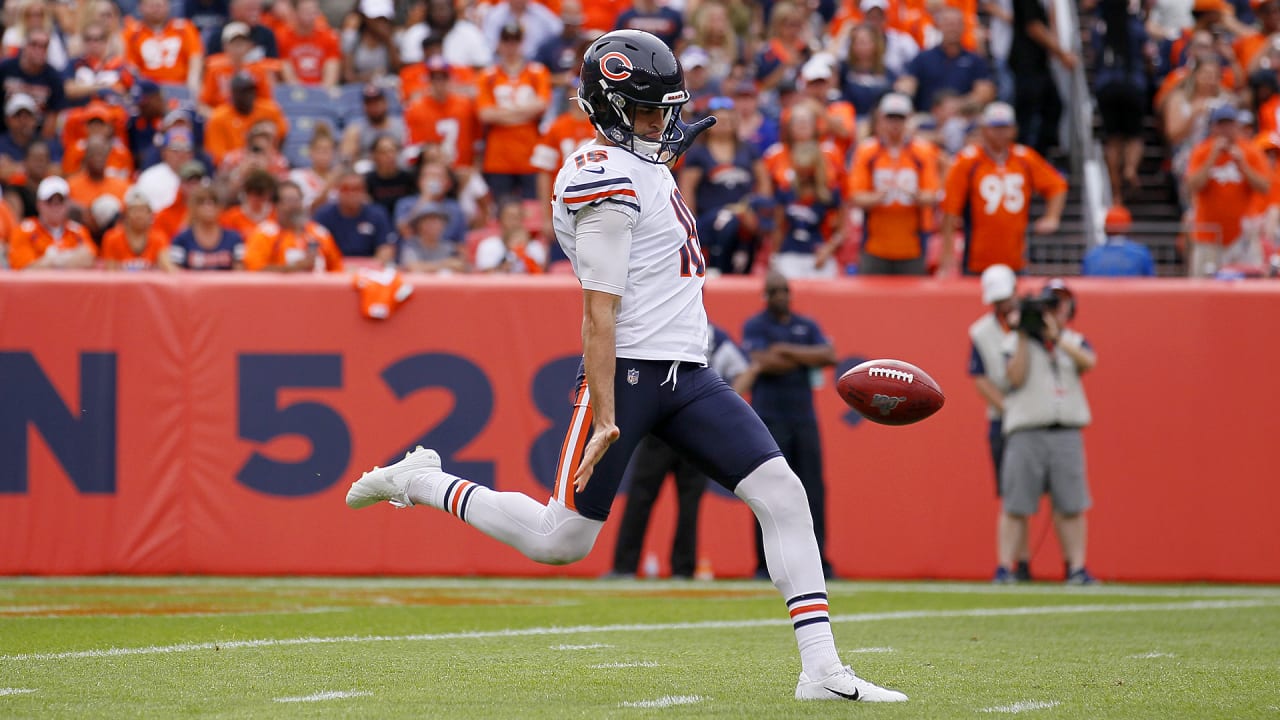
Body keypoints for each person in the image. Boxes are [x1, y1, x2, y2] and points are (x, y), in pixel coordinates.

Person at [345, 29, 908, 704]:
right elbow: (598, 312)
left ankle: (820, 668)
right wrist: (607, 412)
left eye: (663, 109)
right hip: (632, 375)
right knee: (560, 543)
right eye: (647, 111)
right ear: (611, 109)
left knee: (783, 495)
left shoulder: (646, 169)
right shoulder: (601, 180)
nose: (661, 122)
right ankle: (424, 481)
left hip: (689, 375)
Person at [607, 322, 753, 579]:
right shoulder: (706, 334)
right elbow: (742, 368)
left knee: (659, 500)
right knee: (668, 500)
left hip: (671, 425)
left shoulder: (674, 326)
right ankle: (675, 568)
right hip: (687, 427)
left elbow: (744, 370)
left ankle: (631, 567)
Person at [999, 279, 1098, 585]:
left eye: (1059, 304)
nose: (1053, 310)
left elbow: (1089, 363)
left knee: (1071, 505)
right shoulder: (1014, 343)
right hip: (1027, 430)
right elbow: (1014, 377)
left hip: (1066, 430)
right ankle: (1006, 568)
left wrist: (1056, 337)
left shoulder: (1074, 340)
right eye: (1049, 304)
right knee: (1016, 503)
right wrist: (1025, 336)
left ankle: (1076, 568)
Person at [742, 271, 837, 579]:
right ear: (765, 295)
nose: (781, 294)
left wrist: (784, 350)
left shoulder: (806, 324)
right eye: (774, 290)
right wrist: (802, 357)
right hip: (768, 419)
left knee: (812, 490)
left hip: (803, 418)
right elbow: (763, 361)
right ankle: (766, 564)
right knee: (769, 492)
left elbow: (829, 354)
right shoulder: (756, 324)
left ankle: (819, 561)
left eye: (784, 289)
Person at [938, 102, 1069, 275]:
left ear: (1013, 129)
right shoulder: (968, 161)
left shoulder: (1024, 158)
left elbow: (1057, 185)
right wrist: (947, 255)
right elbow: (950, 210)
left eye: (1004, 127)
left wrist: (1052, 217)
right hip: (977, 259)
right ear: (984, 129)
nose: (1000, 133)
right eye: (995, 127)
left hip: (1016, 257)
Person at [968, 264, 1031, 582]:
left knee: (1028, 492)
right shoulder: (981, 331)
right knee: (1011, 492)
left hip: (1034, 415)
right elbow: (979, 377)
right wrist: (1006, 408)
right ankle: (1014, 561)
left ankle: (1022, 561)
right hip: (1003, 419)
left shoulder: (1030, 323)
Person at [846, 92, 940, 275]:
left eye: (900, 118)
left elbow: (933, 194)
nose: (895, 125)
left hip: (912, 245)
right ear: (880, 119)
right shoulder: (868, 151)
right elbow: (855, 196)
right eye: (890, 118)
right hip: (875, 245)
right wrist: (879, 197)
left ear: (908, 120)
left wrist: (913, 195)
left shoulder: (922, 151)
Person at [1184, 102, 1270, 276]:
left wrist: (1243, 166)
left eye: (1229, 124)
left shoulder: (1250, 150)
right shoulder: (1202, 151)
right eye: (1221, 124)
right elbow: (1192, 185)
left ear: (1236, 125)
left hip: (1242, 236)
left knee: (1249, 288)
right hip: (1208, 235)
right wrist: (1212, 158)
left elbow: (1265, 187)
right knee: (1203, 291)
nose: (1225, 129)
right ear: (1213, 127)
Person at [243, 179, 344, 272]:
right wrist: (293, 268)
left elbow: (336, 268)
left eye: (297, 200)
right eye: (289, 201)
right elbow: (254, 270)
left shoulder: (319, 233)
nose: (294, 206)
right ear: (277, 205)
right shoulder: (265, 234)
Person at [8, 176, 97, 270]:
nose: (55, 206)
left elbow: (90, 258)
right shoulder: (23, 232)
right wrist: (68, 259)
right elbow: (25, 270)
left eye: (60, 201)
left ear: (68, 203)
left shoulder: (78, 231)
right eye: (49, 201)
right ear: (39, 204)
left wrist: (52, 261)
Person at [313, 168, 398, 262]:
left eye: (357, 189)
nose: (352, 193)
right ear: (337, 191)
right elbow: (317, 248)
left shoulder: (377, 214)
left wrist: (370, 267)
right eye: (346, 189)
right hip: (334, 268)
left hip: (369, 268)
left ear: (365, 191)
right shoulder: (324, 215)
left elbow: (386, 248)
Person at [169, 183, 246, 270]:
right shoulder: (181, 239)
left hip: (226, 283)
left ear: (220, 207)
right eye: (202, 202)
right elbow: (175, 273)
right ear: (194, 208)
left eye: (213, 202)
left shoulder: (234, 238)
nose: (208, 206)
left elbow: (240, 272)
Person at [99, 186, 175, 271]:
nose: (139, 215)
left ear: (150, 215)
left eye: (143, 210)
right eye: (134, 210)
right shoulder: (112, 238)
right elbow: (110, 271)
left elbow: (168, 268)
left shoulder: (158, 238)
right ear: (126, 215)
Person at [1081, 205, 1157, 276]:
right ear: (1127, 227)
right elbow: (1151, 284)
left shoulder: (1092, 256)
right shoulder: (1141, 254)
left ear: (1105, 229)